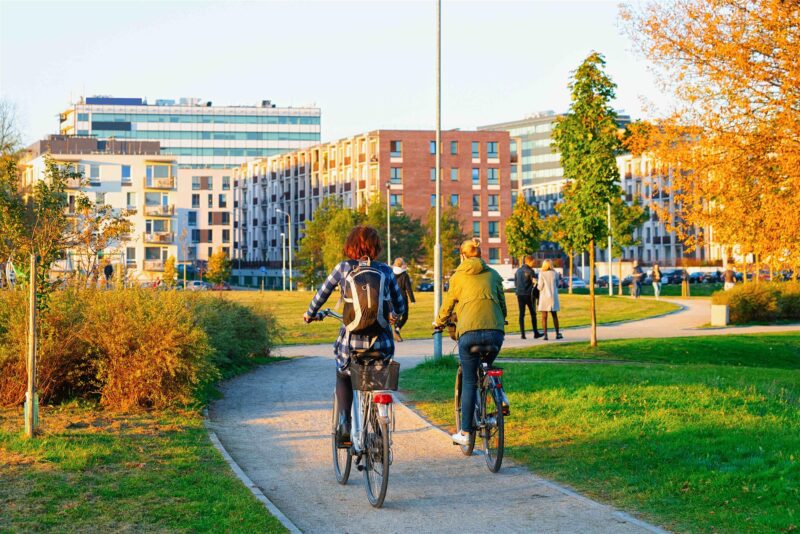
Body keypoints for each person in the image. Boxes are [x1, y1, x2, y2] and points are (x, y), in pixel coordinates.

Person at [303, 226, 406, 446]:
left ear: (350, 245)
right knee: (378, 381)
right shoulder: (386, 271)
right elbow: (400, 305)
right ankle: (380, 432)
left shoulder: (343, 269)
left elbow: (321, 294)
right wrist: (394, 317)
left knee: (344, 375)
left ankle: (344, 425)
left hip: (351, 344)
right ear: (376, 246)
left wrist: (310, 314)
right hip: (382, 343)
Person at [434, 238, 506, 446]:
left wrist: (438, 322)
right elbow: (502, 303)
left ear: (463, 255)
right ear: (480, 254)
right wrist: (503, 319)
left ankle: (465, 432)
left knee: (468, 380)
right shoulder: (493, 274)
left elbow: (447, 306)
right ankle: (497, 392)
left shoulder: (457, 277)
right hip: (495, 332)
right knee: (488, 366)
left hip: (469, 335)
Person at [514, 255, 543, 339]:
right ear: (529, 261)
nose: (534, 263)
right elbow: (535, 284)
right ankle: (535, 333)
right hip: (529, 295)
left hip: (520, 295)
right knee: (533, 314)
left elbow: (516, 283)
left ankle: (522, 334)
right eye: (533, 261)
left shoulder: (518, 270)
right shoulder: (531, 271)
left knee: (521, 314)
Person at [537, 260, 562, 340]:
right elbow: (557, 285)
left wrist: (536, 283)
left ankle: (545, 335)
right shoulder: (555, 273)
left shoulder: (541, 274)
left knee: (544, 316)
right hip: (553, 297)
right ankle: (557, 334)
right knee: (554, 316)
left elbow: (540, 287)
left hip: (544, 297)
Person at [392, 257, 415, 342]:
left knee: (395, 316)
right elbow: (408, 288)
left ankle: (396, 331)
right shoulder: (404, 275)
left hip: (393, 296)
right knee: (405, 316)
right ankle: (397, 329)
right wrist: (412, 300)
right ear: (402, 265)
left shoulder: (391, 273)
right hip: (402, 297)